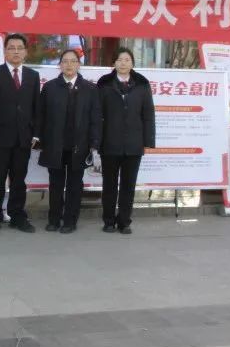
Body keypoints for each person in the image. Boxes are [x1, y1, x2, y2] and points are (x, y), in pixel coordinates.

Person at [35, 50, 101, 234]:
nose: (69, 65)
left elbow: (96, 118)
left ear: (79, 65)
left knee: (74, 185)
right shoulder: (50, 87)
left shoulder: (90, 89)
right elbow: (41, 116)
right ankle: (54, 219)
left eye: (73, 61)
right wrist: (38, 138)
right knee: (55, 184)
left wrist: (95, 143)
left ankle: (70, 221)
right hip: (55, 145)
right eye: (65, 61)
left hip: (79, 146)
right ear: (60, 65)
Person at [0, 33, 40, 233]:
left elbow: (36, 107)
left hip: (24, 138)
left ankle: (17, 216)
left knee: (19, 180)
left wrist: (35, 134)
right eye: (11, 48)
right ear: (5, 51)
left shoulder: (33, 76)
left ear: (25, 52)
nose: (16, 52)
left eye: (19, 48)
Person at [97, 47, 156, 235]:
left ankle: (124, 222)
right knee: (109, 186)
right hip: (109, 143)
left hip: (133, 144)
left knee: (128, 186)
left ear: (132, 64)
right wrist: (96, 141)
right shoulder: (104, 84)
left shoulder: (142, 85)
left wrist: (148, 140)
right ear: (114, 63)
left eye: (127, 60)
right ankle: (108, 221)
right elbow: (97, 115)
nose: (123, 63)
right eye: (119, 60)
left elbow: (148, 114)